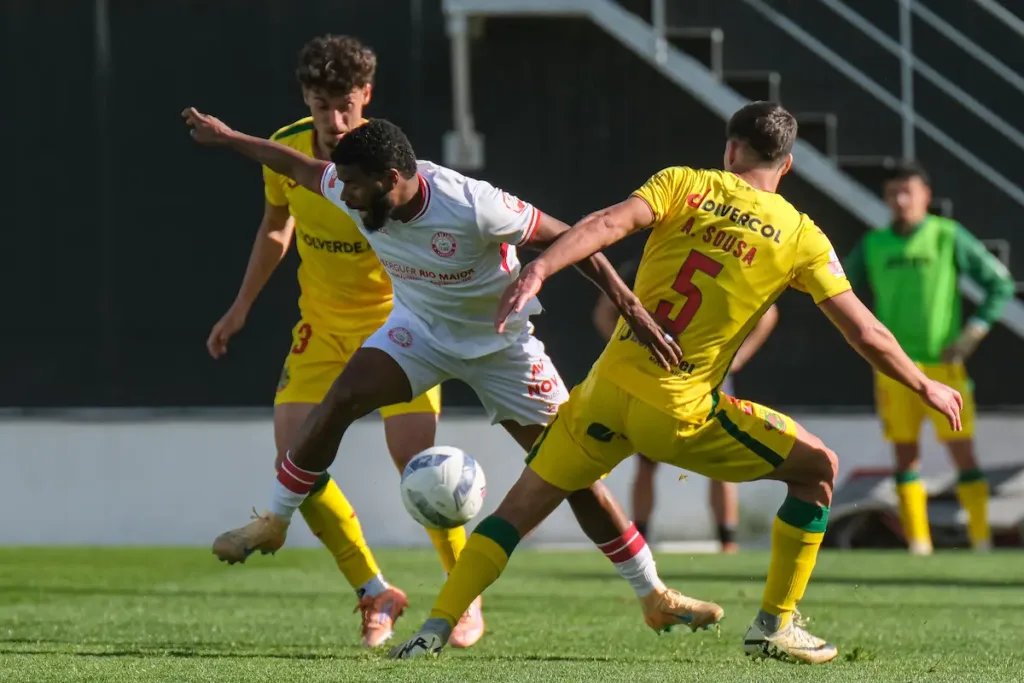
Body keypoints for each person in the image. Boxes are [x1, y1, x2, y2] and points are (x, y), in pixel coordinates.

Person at [388, 101, 963, 665]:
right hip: (677, 412)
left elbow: (604, 225)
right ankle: (774, 624)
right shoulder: (800, 236)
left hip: (603, 393)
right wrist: (923, 385)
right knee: (819, 471)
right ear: (786, 166)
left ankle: (434, 629)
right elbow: (865, 332)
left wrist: (540, 267)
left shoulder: (682, 183)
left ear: (731, 150)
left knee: (513, 514)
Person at [184, 110, 709, 635]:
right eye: (341, 183)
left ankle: (653, 594)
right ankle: (276, 520)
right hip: (420, 332)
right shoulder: (351, 184)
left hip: (501, 345)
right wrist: (230, 138)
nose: (344, 196)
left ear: (392, 179)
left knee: (574, 474)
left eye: (354, 186)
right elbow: (294, 166)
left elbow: (572, 238)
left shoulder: (470, 203)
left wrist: (633, 310)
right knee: (340, 397)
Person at [202, 35, 456, 648]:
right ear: (306, 100)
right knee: (294, 459)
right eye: (321, 105)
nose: (335, 120)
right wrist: (240, 307)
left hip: (400, 325)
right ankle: (375, 593)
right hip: (321, 328)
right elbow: (275, 227)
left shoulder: (388, 158)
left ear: (366, 95)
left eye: (345, 104)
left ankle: (460, 591)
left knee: (415, 460)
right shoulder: (285, 152)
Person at [844, 162, 1014, 555]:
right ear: (886, 198)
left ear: (926, 196)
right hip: (893, 368)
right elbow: (840, 289)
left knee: (962, 452)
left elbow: (999, 284)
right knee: (905, 455)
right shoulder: (873, 244)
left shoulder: (946, 236)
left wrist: (972, 334)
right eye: (893, 194)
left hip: (945, 367)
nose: (901, 200)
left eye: (908, 192)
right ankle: (919, 545)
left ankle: (981, 539)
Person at [594, 260, 779, 552]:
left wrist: (738, 358)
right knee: (646, 460)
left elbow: (768, 313)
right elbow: (604, 312)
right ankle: (640, 539)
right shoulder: (647, 262)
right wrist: (632, 345)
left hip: (703, 377)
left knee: (718, 460)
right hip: (660, 375)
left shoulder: (720, 261)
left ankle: (726, 541)